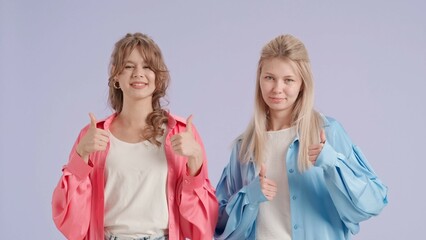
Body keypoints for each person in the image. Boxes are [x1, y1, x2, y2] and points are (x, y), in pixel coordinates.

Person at [214, 34, 388, 240]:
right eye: (269, 77)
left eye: (288, 80)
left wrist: (333, 163)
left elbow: (374, 202)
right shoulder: (245, 147)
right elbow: (219, 225)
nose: (277, 88)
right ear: (259, 79)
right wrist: (249, 197)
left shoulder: (327, 132)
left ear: (302, 84)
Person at [52, 32, 218, 240]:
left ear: (158, 78)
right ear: (116, 76)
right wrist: (81, 155)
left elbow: (202, 225)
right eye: (129, 66)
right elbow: (70, 220)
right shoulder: (93, 135)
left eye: (147, 66)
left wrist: (195, 162)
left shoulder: (181, 133)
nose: (138, 73)